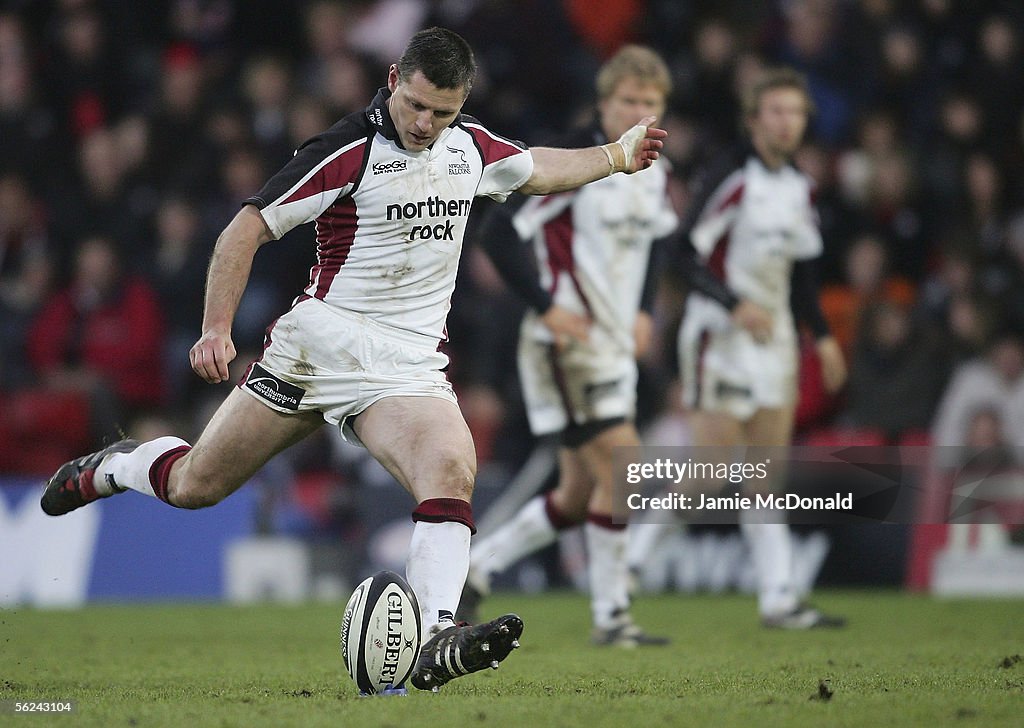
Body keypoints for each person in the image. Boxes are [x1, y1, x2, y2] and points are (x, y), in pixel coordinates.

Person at [40, 27, 666, 690]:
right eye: (416, 105)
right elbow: (245, 228)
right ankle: (115, 465)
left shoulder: (470, 148)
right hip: (319, 350)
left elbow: (536, 168)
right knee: (195, 485)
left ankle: (434, 636)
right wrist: (216, 328)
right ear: (394, 79)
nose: (425, 123)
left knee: (451, 469)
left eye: (442, 112)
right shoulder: (345, 150)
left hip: (407, 365)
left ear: (462, 104)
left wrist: (615, 157)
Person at [458, 45, 676, 647]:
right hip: (567, 343)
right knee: (623, 466)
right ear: (603, 103)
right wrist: (547, 306)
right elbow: (499, 234)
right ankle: (612, 617)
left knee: (581, 494)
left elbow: (658, 242)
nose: (637, 111)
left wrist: (643, 312)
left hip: (613, 346)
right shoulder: (577, 165)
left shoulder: (657, 168)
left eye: (649, 103)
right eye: (628, 100)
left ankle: (481, 565)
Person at [675, 67, 848, 628]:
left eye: (795, 112)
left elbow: (801, 277)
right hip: (720, 335)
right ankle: (622, 565)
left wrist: (822, 338)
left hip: (773, 342)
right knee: (709, 475)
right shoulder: (731, 176)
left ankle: (778, 598)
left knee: (764, 475)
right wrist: (734, 304)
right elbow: (682, 255)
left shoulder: (799, 187)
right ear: (753, 120)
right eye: (775, 110)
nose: (786, 122)